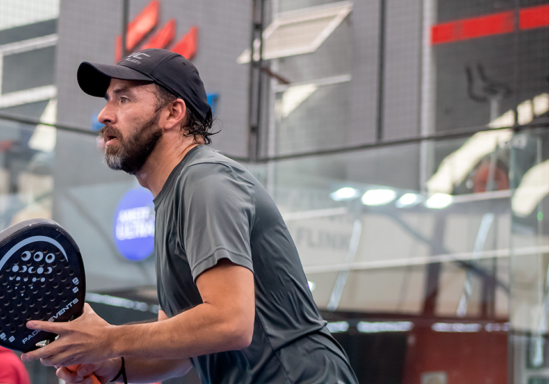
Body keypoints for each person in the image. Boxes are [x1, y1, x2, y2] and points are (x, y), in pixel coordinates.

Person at [21, 48, 358, 383]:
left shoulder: (204, 180)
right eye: (109, 100)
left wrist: (107, 339)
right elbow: (180, 354)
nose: (104, 114)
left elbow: (230, 323)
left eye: (123, 99)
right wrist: (115, 367)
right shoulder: (173, 198)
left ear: (173, 113)